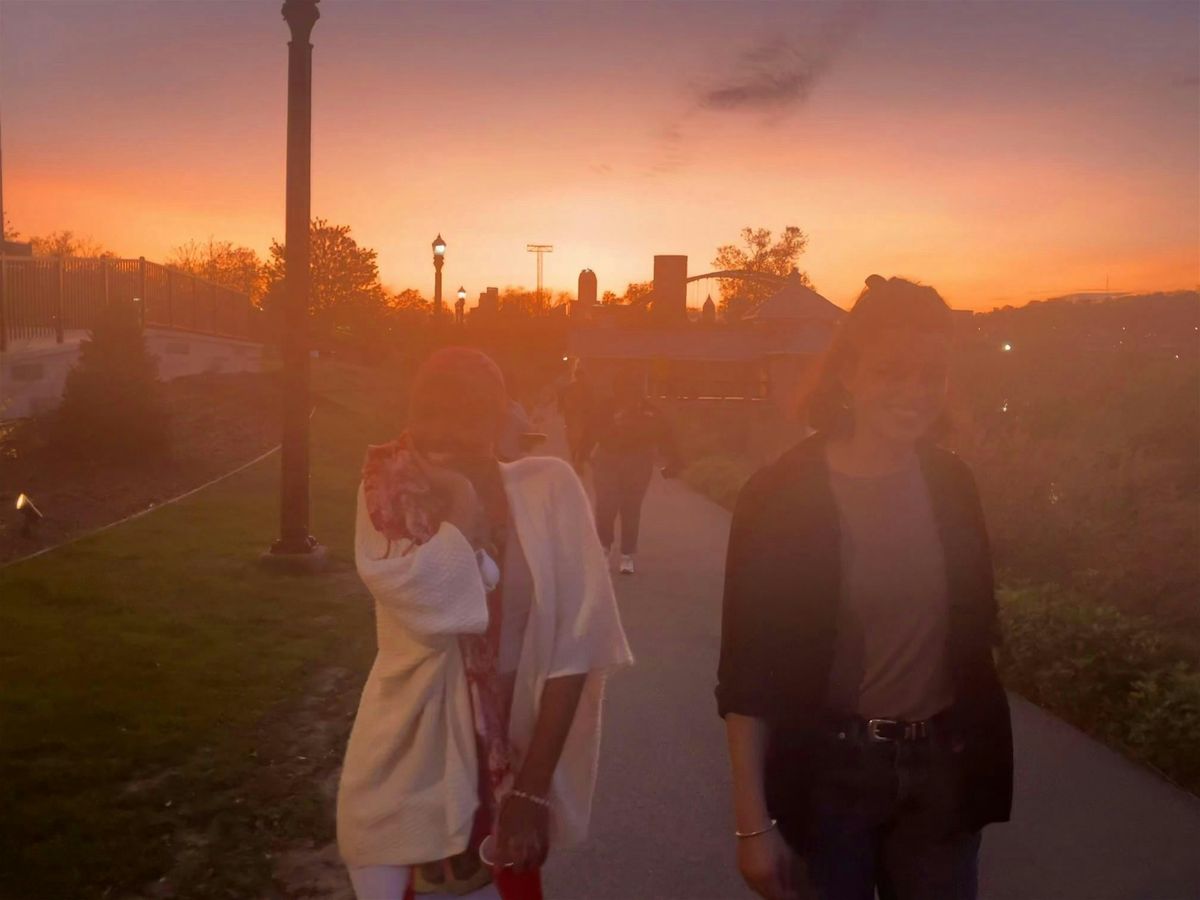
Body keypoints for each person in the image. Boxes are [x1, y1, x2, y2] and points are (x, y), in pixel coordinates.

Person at [717, 275, 1013, 900]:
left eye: (931, 375)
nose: (914, 392)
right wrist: (752, 826)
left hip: (941, 776)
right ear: (848, 374)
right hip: (828, 777)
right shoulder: (780, 495)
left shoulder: (952, 486)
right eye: (891, 371)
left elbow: (975, 628)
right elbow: (744, 672)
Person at [338, 347, 633, 900]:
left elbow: (579, 646)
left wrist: (532, 791)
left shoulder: (551, 488)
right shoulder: (387, 499)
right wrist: (462, 504)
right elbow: (435, 614)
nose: (444, 433)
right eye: (429, 414)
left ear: (500, 420)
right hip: (405, 752)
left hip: (510, 755)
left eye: (467, 414)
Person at [587, 369, 682, 575]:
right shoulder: (606, 408)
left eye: (632, 389)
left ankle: (627, 554)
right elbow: (591, 430)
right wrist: (583, 453)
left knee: (631, 507)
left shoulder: (649, 411)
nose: (628, 394)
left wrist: (674, 461)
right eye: (624, 389)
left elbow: (665, 435)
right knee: (605, 506)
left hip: (638, 460)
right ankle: (604, 547)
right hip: (608, 458)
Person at [557, 366, 594, 473]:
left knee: (581, 441)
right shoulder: (571, 388)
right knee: (574, 441)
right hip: (574, 419)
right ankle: (576, 461)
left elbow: (591, 403)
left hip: (582, 419)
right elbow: (566, 402)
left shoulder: (587, 388)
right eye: (580, 376)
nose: (582, 378)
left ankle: (578, 462)